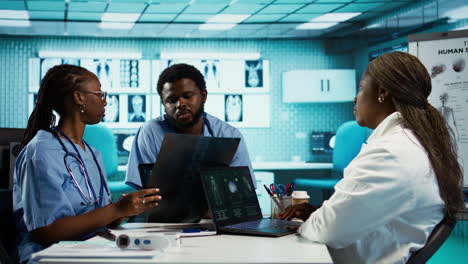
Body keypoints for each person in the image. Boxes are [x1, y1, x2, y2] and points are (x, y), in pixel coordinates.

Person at [280, 52, 464, 264]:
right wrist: (318, 214)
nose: (355, 98)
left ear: (382, 92)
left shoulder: (390, 153)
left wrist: (314, 221)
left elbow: (327, 231)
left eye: (360, 88)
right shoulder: (413, 144)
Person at [13, 64, 161, 264]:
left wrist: (126, 210)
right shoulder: (40, 153)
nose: (105, 102)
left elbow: (98, 216)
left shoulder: (90, 152)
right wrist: (116, 210)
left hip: (93, 246)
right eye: (100, 94)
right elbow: (46, 232)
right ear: (79, 97)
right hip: (52, 256)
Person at [125, 63, 254, 222]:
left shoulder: (229, 134)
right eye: (171, 100)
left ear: (204, 95)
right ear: (163, 104)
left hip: (214, 222)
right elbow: (148, 194)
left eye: (187, 96)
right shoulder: (150, 132)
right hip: (164, 223)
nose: (180, 104)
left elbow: (242, 193)